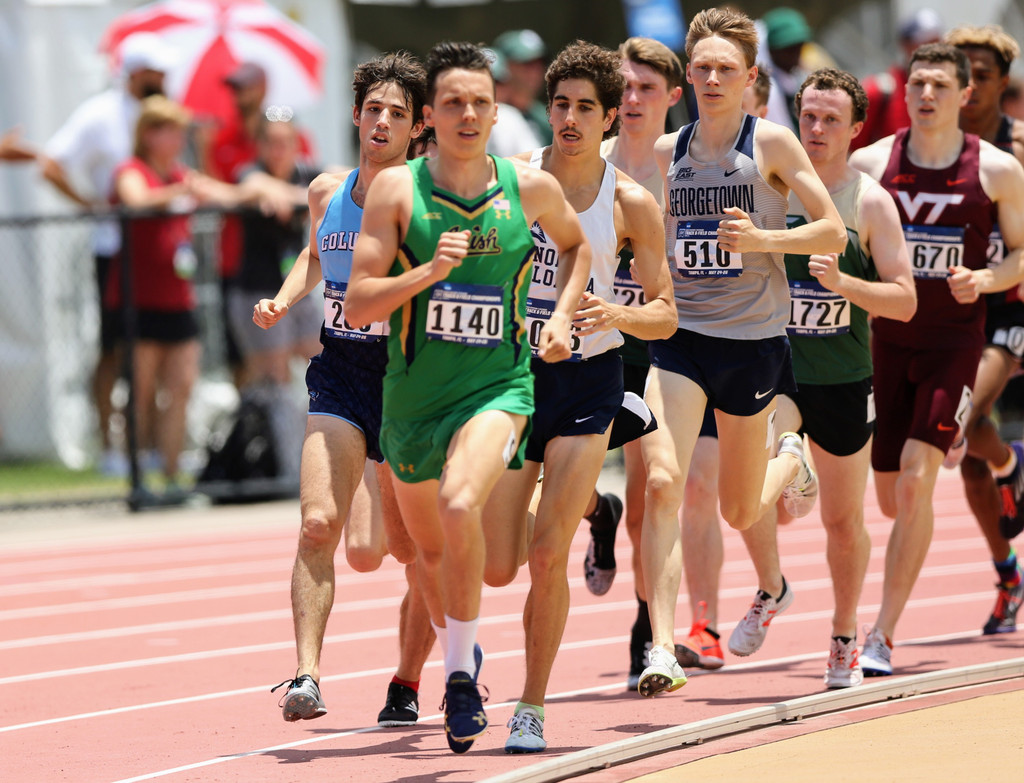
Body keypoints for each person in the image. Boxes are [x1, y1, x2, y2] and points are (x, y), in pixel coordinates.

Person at [345, 41, 590, 754]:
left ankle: (456, 682)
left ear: (496, 109)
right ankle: (462, 664)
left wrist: (563, 316)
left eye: (480, 101)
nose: (468, 113)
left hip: (500, 388)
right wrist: (425, 272)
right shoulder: (398, 191)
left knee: (460, 503)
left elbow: (575, 248)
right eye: (452, 102)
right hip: (411, 403)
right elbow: (360, 303)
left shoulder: (528, 187)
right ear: (429, 115)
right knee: (425, 553)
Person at [638, 6, 846, 698]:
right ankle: (662, 645)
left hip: (752, 344)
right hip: (683, 337)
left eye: (727, 69)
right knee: (664, 481)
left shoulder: (775, 145)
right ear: (688, 75)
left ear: (751, 77)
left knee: (736, 508)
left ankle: (790, 456)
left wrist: (765, 241)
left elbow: (832, 231)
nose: (713, 78)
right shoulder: (672, 151)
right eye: (702, 68)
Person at [482, 41, 675, 753]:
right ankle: (603, 509)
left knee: (542, 552)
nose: (567, 118)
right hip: (512, 377)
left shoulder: (631, 203)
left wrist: (615, 314)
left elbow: (666, 312)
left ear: (608, 117)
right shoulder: (515, 177)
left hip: (591, 382)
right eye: (559, 104)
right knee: (495, 563)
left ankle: (530, 704)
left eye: (583, 108)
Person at [255, 53, 435, 727]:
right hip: (339, 372)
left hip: (408, 380)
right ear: (355, 115)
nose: (381, 122)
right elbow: (312, 254)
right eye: (372, 109)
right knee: (317, 524)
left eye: (397, 112)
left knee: (394, 552)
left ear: (419, 127)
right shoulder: (327, 189)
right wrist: (280, 299)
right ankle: (306, 673)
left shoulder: (426, 199)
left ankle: (409, 678)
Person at [727, 68, 916, 688]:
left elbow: (904, 300)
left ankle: (842, 634)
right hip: (775, 366)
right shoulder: (768, 189)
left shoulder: (870, 202)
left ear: (857, 129)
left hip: (842, 377)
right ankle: (771, 585)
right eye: (808, 115)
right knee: (751, 485)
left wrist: (844, 286)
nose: (816, 129)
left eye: (832, 119)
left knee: (842, 521)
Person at [849, 43, 1024, 675]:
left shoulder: (998, 169)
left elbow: (1022, 255)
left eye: (939, 86)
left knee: (921, 478)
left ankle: (882, 635)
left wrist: (984, 278)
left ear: (963, 95)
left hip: (955, 344)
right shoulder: (872, 161)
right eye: (917, 83)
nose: (925, 95)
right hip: (888, 343)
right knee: (894, 500)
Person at [592, 37, 720, 686]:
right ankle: (597, 514)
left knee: (662, 485)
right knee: (569, 490)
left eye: (646, 88)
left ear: (674, 96)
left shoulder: (691, 165)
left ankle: (654, 635)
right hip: (597, 343)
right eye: (623, 87)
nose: (631, 98)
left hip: (669, 346)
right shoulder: (584, 159)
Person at [41, 31, 175, 476]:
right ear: (136, 74)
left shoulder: (164, 116)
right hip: (114, 250)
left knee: (157, 352)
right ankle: (111, 446)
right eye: (155, 73)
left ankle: (153, 447)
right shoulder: (100, 114)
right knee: (114, 351)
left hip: (160, 252)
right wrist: (89, 206)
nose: (162, 80)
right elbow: (52, 161)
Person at [105, 96, 247, 492]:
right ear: (149, 134)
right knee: (143, 389)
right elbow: (135, 199)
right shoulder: (132, 170)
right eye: (169, 129)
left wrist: (262, 193)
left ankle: (171, 475)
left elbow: (223, 192)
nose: (176, 137)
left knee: (181, 384)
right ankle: (138, 476)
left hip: (177, 298)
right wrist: (178, 190)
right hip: (140, 299)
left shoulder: (180, 174)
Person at [945, 24, 1024, 632]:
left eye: (983, 74)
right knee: (970, 458)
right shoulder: (929, 145)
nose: (970, 85)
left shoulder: (1016, 149)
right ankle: (1008, 575)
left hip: (1009, 310)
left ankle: (1014, 462)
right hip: (952, 309)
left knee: (961, 418)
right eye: (960, 72)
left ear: (1003, 84)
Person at [228, 116, 323, 479]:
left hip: (298, 292)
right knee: (276, 383)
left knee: (328, 361)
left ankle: (321, 456)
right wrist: (273, 191)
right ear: (262, 145)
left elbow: (341, 177)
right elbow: (248, 184)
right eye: (272, 141)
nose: (280, 149)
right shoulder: (251, 171)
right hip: (259, 290)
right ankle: (287, 472)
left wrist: (294, 197)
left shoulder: (305, 174)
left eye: (287, 141)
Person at [850, 8, 944, 152]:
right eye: (926, 43)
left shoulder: (950, 93)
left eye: (938, 43)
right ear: (905, 45)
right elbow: (851, 149)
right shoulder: (878, 91)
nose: (934, 51)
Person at [492, 29, 552, 144]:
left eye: (540, 63)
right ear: (503, 64)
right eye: (527, 64)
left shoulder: (548, 121)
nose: (534, 71)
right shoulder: (484, 116)